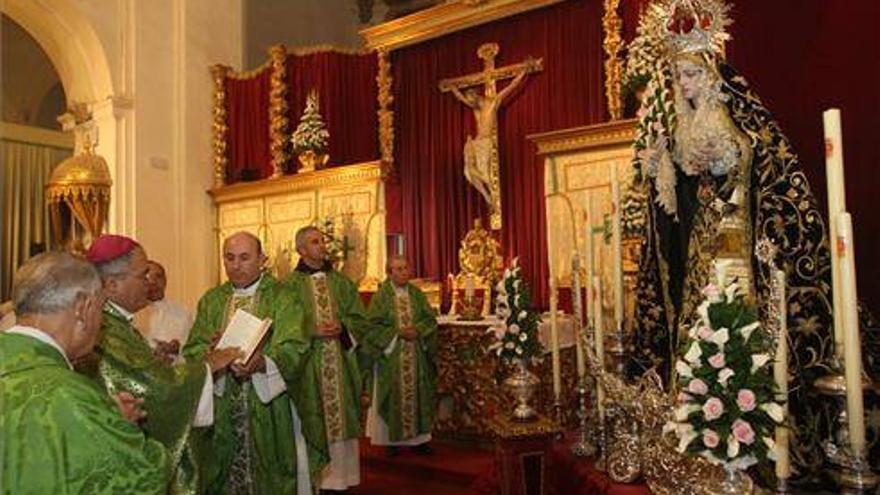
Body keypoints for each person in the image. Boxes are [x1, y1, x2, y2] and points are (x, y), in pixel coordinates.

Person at [626, 0, 833, 479]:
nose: (685, 84)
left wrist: (726, 162)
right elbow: (677, 198)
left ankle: (749, 438)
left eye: (692, 74)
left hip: (737, 247)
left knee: (738, 327)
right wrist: (662, 165)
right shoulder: (679, 126)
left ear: (711, 73)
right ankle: (700, 428)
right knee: (698, 329)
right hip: (700, 247)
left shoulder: (736, 116)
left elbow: (760, 162)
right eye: (679, 76)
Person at [81, 234, 241, 493]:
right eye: (142, 274)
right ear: (111, 285)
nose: (149, 283)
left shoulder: (116, 323)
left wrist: (159, 363)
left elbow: (139, 374)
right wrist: (207, 367)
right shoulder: (105, 329)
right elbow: (153, 388)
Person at [1, 251, 169, 494]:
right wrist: (116, 426)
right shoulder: (73, 398)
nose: (102, 323)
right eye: (101, 309)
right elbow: (146, 478)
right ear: (83, 308)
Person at [182, 232, 306, 494]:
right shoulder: (212, 300)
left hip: (269, 408)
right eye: (229, 258)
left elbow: (296, 347)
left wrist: (263, 363)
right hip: (222, 407)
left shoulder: (284, 297)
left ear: (262, 259)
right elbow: (193, 349)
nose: (236, 265)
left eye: (244, 258)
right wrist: (211, 353)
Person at [285, 225, 373, 493]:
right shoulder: (288, 286)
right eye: (314, 242)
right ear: (301, 249)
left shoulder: (342, 283)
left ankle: (341, 478)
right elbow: (283, 324)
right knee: (313, 417)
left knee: (340, 418)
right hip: (308, 366)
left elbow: (360, 319)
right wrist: (310, 331)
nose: (322, 246)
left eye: (322, 241)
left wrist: (344, 328)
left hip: (339, 363)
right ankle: (313, 479)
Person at [366, 255, 438, 456]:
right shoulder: (381, 297)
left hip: (416, 355)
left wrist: (419, 331)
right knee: (394, 395)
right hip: (392, 358)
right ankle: (392, 442)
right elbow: (372, 326)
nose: (403, 272)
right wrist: (397, 333)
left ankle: (420, 440)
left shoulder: (417, 294)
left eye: (406, 267)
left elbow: (429, 320)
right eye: (398, 269)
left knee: (418, 394)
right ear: (389, 273)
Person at [448, 64, 532, 206]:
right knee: (468, 171)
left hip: (486, 142)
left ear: (476, 95)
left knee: (484, 173)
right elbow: (461, 98)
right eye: (469, 99)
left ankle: (490, 194)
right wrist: (453, 88)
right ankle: (488, 194)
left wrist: (523, 72)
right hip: (476, 141)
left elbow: (511, 87)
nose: (469, 102)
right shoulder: (474, 106)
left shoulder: (493, 102)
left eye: (471, 99)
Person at [134, 260, 193, 362]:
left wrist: (177, 348)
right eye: (148, 277)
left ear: (165, 280)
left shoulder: (183, 312)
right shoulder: (133, 312)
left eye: (158, 276)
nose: (153, 282)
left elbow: (194, 347)